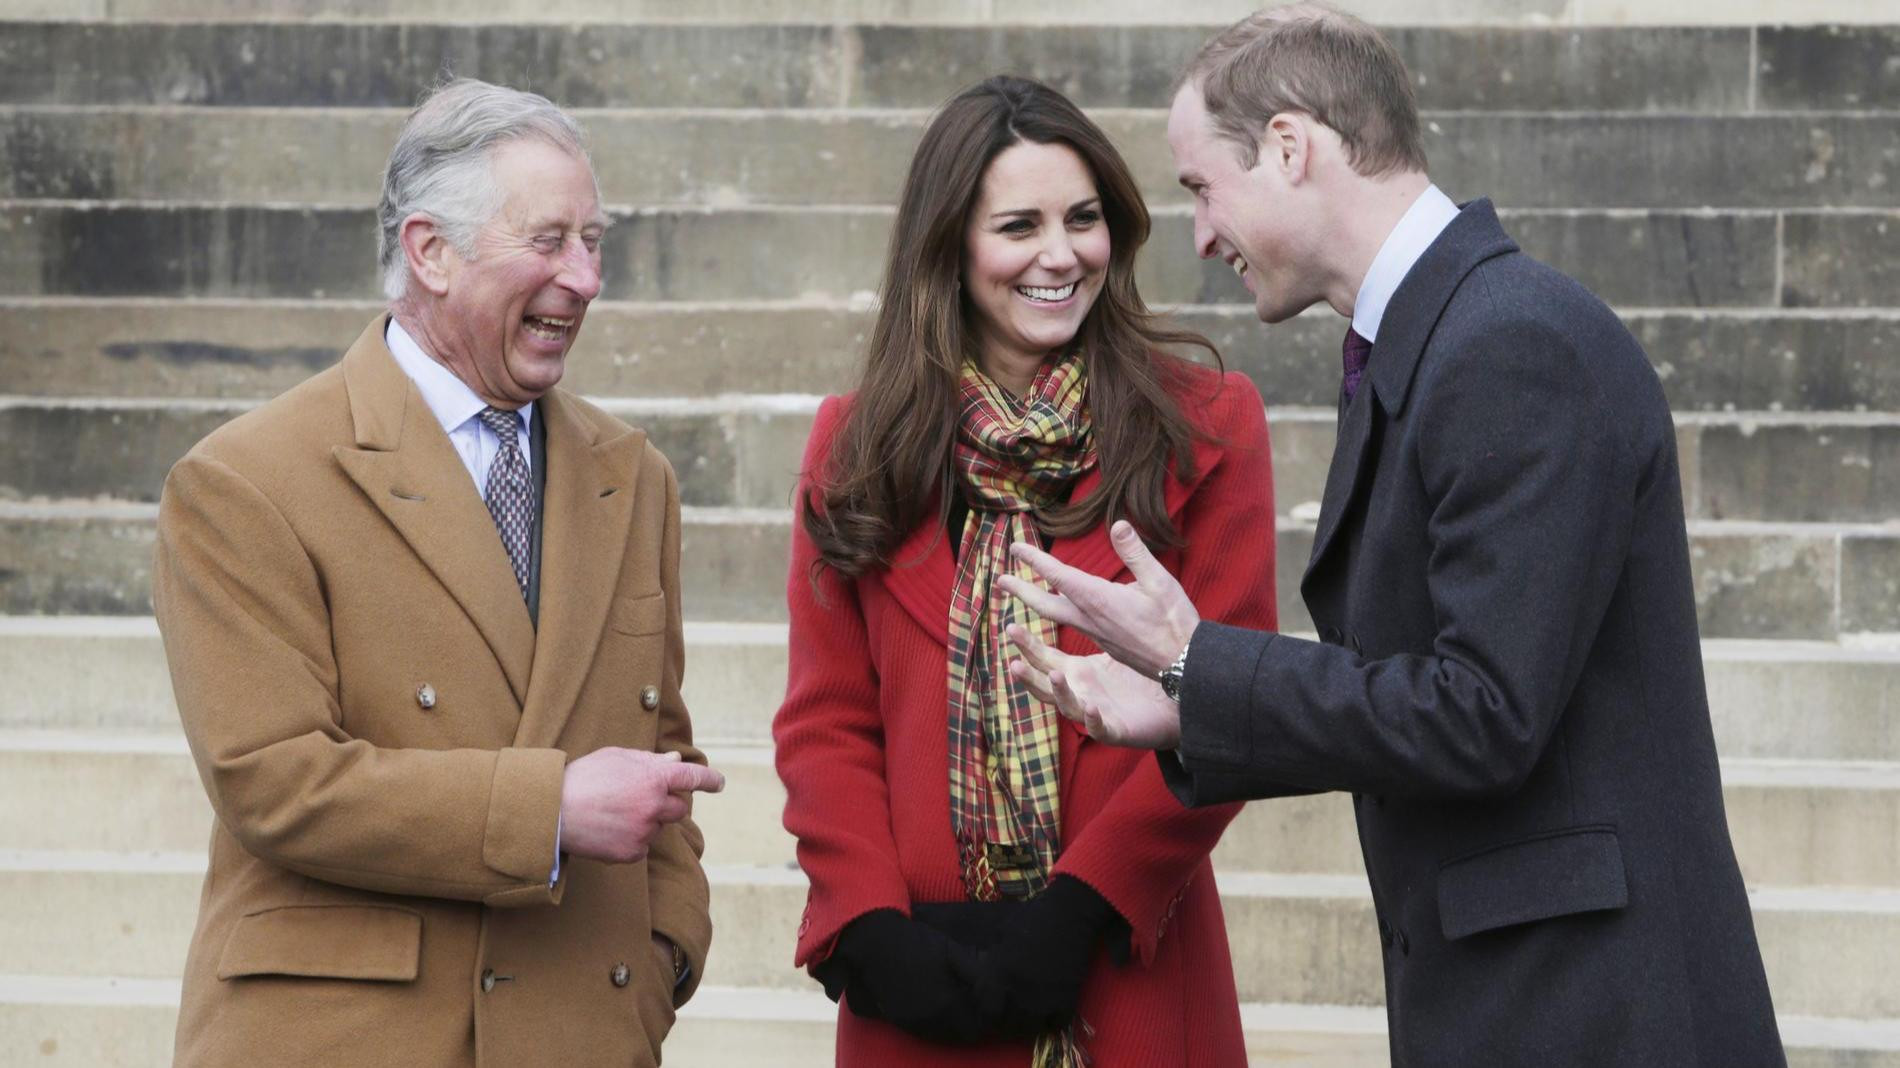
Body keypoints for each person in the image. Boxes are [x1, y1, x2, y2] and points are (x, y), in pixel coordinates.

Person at [997, 7, 1787, 1066]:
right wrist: (1192, 709)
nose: (1199, 234)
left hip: (1592, 1013)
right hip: (1523, 995)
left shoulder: (1510, 343)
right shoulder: (1447, 334)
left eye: (1198, 188)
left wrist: (1197, 660)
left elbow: (1483, 715)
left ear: (1289, 147)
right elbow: (1426, 693)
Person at [152, 78, 724, 1068]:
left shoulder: (633, 478)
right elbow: (274, 780)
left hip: (577, 1033)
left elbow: (658, 744)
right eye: (548, 241)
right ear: (430, 252)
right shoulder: (246, 478)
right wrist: (547, 812)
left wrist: (664, 955)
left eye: (595, 242)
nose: (584, 278)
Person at [773, 75, 1277, 1067]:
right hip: (917, 980)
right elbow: (827, 722)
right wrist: (869, 925)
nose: (1060, 255)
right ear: (951, 248)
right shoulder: (854, 445)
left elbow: (1234, 703)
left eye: (1083, 219)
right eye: (1019, 225)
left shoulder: (1209, 426)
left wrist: (1081, 908)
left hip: (1124, 964)